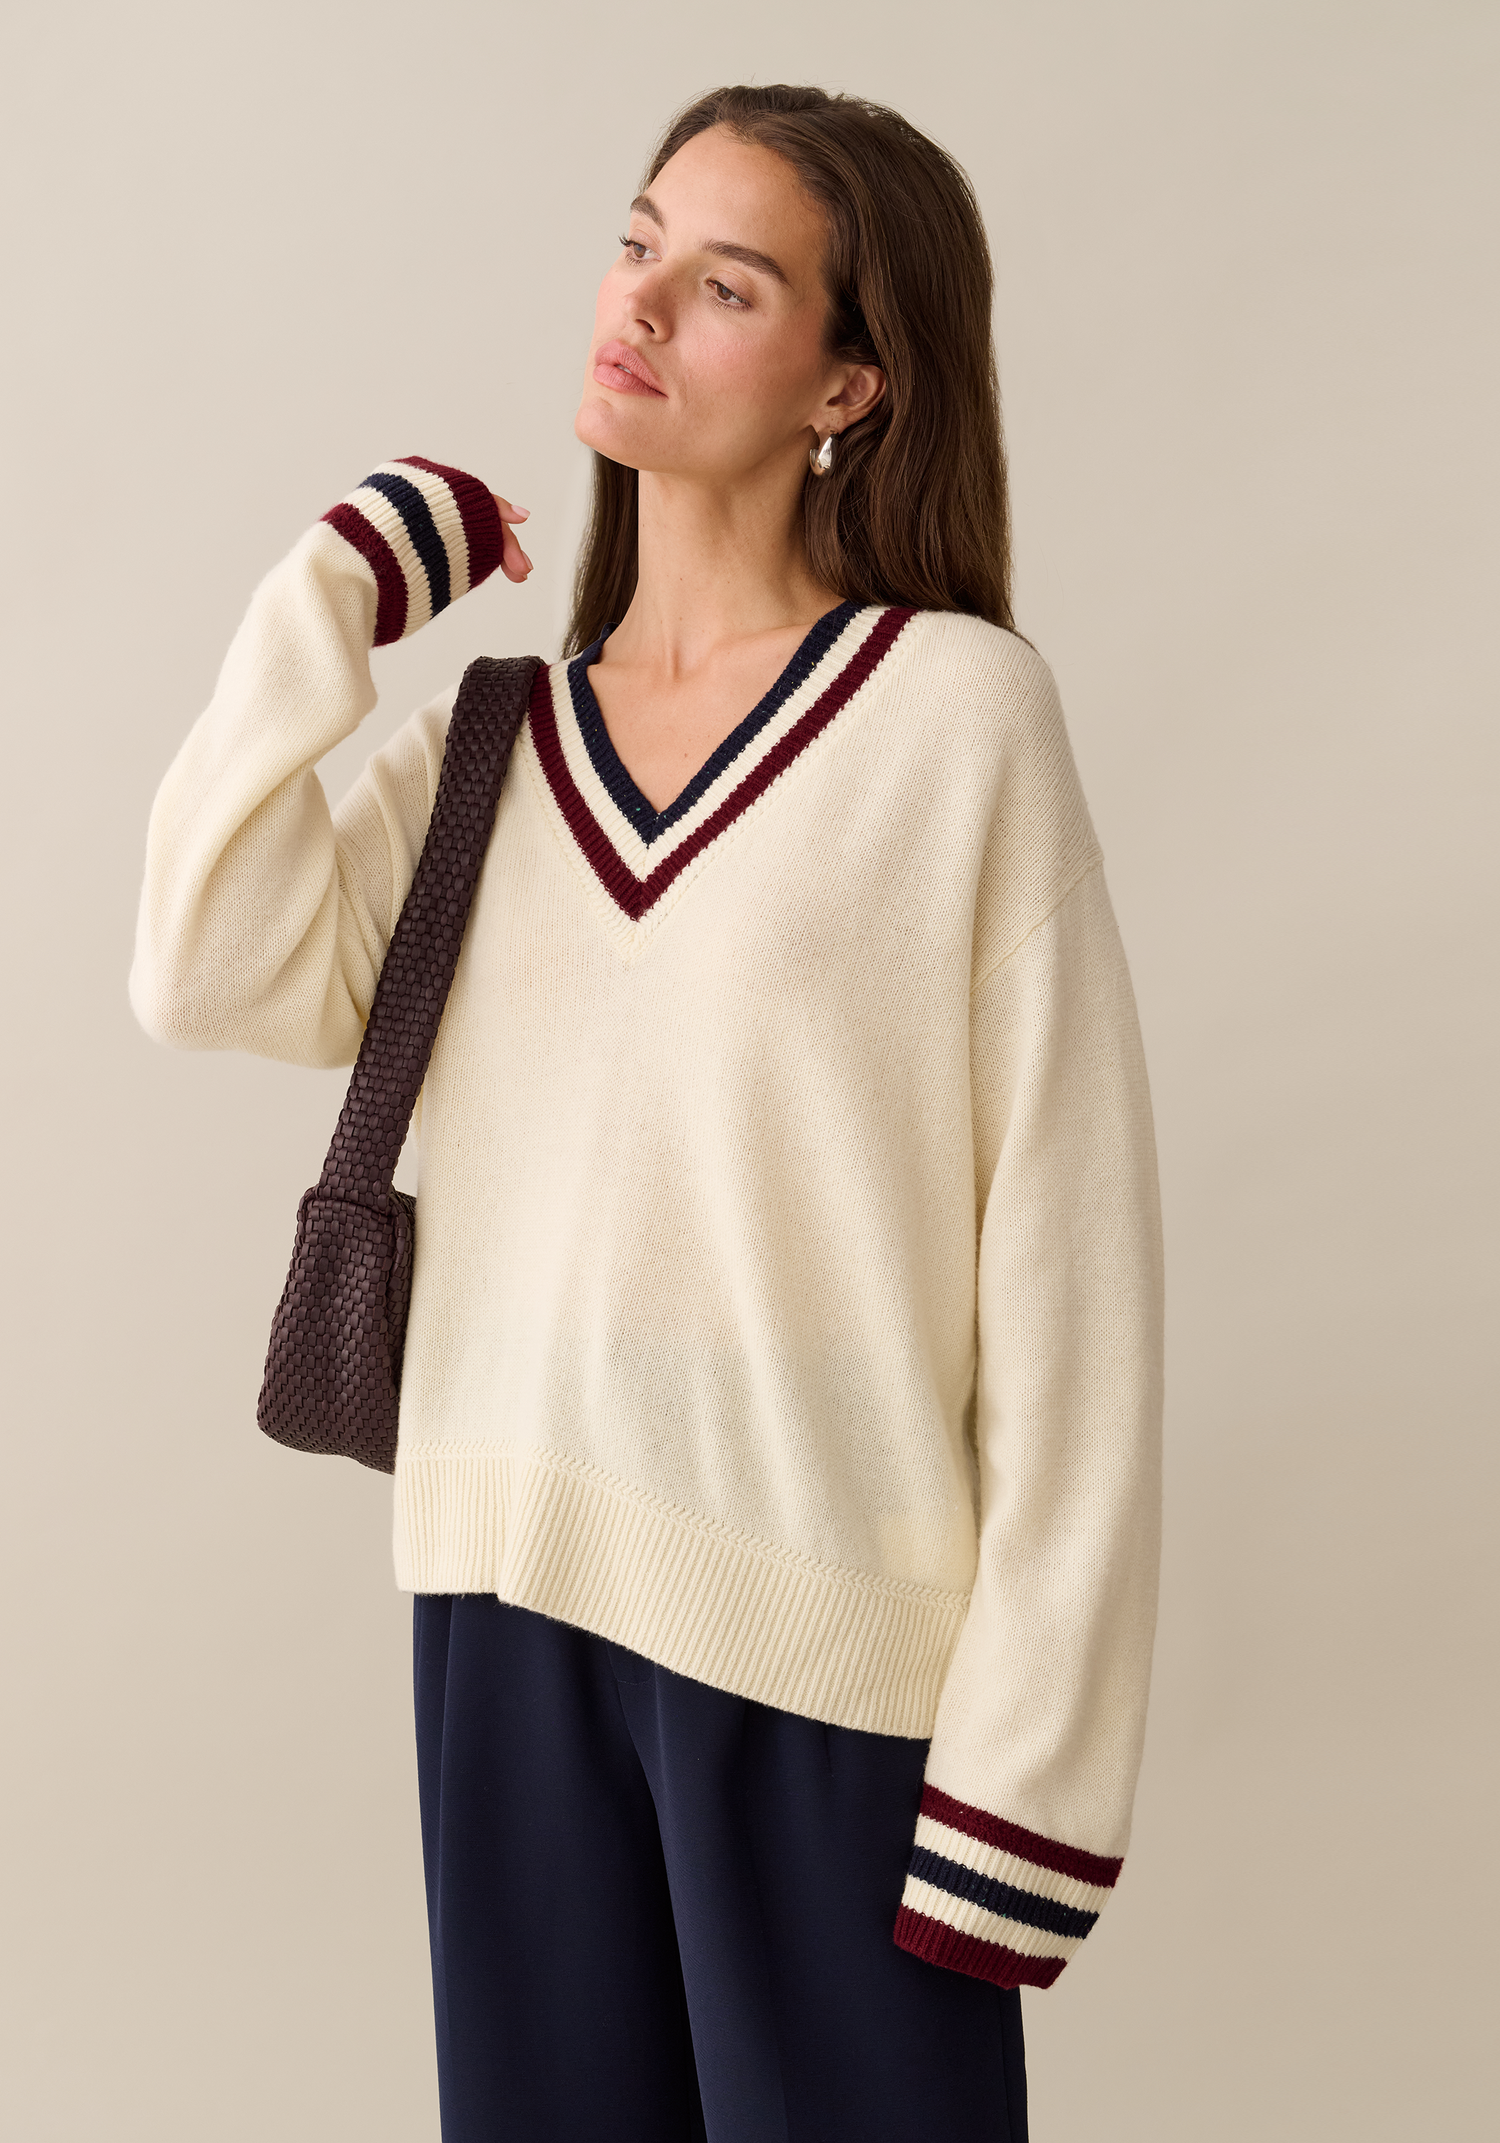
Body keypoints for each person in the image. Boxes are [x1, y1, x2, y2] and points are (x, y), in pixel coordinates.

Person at [131, 82, 1163, 2143]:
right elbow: (206, 966)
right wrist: (324, 597)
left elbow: (1072, 1265)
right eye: (637, 245)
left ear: (851, 385)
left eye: (730, 284)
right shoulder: (492, 746)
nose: (643, 305)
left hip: (822, 1640)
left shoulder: (956, 718)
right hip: (500, 1612)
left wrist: (1030, 1776)